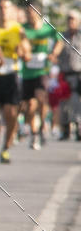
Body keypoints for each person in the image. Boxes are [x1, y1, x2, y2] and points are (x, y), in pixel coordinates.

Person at [0, 0, 31, 163]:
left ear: (11, 11)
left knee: (11, 115)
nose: (3, 11)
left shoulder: (18, 29)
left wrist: (23, 51)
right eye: (0, 8)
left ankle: (5, 148)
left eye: (6, 8)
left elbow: (27, 54)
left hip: (11, 76)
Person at [21, 1, 56, 149]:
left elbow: (59, 41)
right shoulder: (23, 29)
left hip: (42, 71)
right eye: (27, 13)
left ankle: (41, 128)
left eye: (31, 13)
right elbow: (19, 45)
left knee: (41, 99)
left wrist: (54, 54)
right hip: (27, 72)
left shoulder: (48, 29)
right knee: (30, 105)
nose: (29, 15)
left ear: (38, 13)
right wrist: (24, 53)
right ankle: (34, 133)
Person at [51, 10, 81, 141]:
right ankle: (65, 129)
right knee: (63, 102)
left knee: (76, 102)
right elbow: (54, 53)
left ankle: (78, 128)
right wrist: (54, 58)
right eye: (69, 19)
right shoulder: (61, 36)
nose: (71, 21)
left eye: (73, 19)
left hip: (78, 74)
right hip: (64, 74)